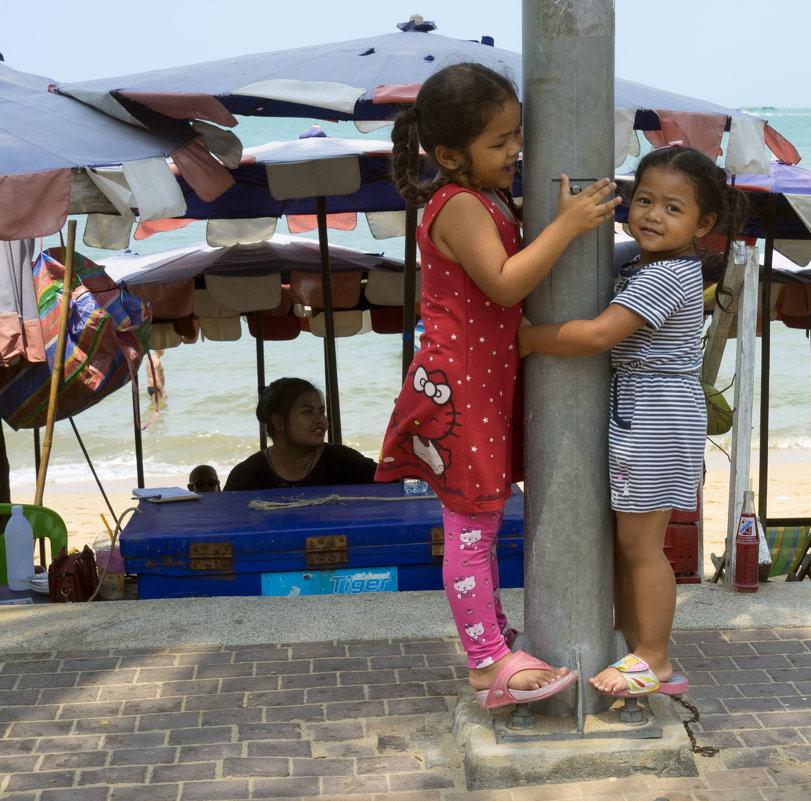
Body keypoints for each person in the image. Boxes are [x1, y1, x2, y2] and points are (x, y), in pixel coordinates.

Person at [375, 62, 620, 709]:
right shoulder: (453, 205)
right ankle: (487, 661)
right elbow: (506, 283)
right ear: (451, 154)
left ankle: (494, 641)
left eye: (517, 135)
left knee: (481, 518)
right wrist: (565, 226)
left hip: (480, 386)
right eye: (500, 143)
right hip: (457, 390)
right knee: (472, 525)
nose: (516, 152)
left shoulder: (480, 198)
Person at [518, 146, 748, 698]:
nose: (652, 215)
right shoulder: (651, 267)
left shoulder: (666, 275)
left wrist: (527, 338)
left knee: (643, 546)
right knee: (631, 543)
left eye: (673, 208)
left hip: (657, 417)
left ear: (704, 223)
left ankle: (655, 657)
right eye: (644, 200)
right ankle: (634, 645)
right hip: (647, 410)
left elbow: (598, 336)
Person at [224, 378, 377, 491]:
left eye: (321, 412)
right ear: (278, 422)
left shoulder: (343, 462)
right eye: (307, 412)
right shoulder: (247, 476)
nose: (321, 420)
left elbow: (392, 483)